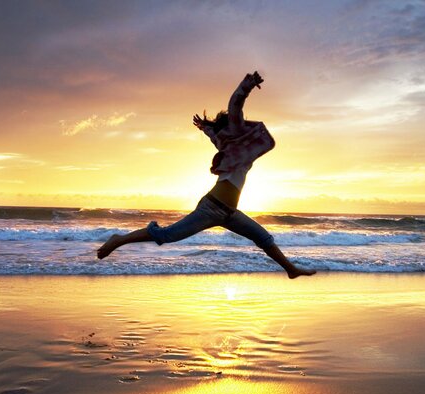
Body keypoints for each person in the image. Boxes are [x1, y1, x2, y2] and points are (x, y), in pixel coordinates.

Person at [97, 71, 316, 279]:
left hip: (229, 212)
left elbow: (213, 133)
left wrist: (204, 126)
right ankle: (118, 240)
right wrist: (247, 85)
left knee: (263, 238)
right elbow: (235, 105)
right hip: (211, 208)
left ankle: (291, 270)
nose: (240, 123)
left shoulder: (227, 143)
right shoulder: (234, 134)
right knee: (166, 235)